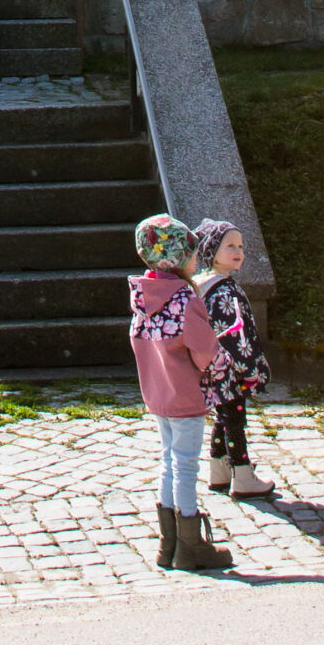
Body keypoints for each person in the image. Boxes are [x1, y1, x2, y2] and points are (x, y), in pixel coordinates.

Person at [128, 213, 234, 573]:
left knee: (168, 461)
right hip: (186, 395)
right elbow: (205, 350)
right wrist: (223, 369)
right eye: (192, 253)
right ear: (177, 258)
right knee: (186, 465)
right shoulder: (184, 298)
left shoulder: (143, 296)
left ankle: (168, 542)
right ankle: (191, 544)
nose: (196, 260)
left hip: (158, 394)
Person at [190, 220, 275, 497]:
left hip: (213, 368)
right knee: (235, 420)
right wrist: (248, 370)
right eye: (230, 246)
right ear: (211, 251)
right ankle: (242, 474)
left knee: (223, 415)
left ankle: (219, 468)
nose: (239, 251)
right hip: (230, 370)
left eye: (240, 246)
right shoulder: (225, 291)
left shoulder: (203, 286)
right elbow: (235, 338)